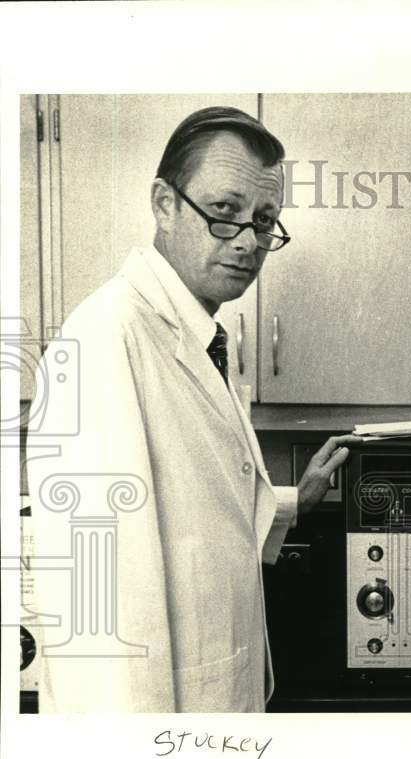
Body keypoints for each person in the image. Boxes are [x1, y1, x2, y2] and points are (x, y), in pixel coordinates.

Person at [26, 107, 357, 712]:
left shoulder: (198, 333)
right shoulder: (105, 339)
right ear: (164, 204)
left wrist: (290, 503)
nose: (249, 241)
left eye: (264, 221)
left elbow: (193, 516)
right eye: (224, 212)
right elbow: (100, 623)